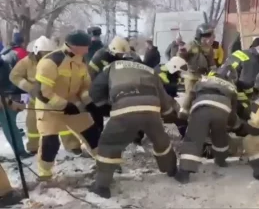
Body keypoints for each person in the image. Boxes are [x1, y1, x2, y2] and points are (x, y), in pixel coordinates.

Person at [89, 54, 177, 199]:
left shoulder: (112, 66)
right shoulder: (150, 70)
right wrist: (167, 112)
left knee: (109, 144)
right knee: (161, 141)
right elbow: (163, 97)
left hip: (124, 107)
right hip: (151, 108)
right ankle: (172, 170)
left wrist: (105, 105)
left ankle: (101, 186)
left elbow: (95, 91)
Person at [34, 30, 102, 180]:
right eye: (86, 46)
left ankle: (104, 162)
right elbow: (42, 92)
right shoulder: (50, 62)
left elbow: (84, 87)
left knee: (92, 134)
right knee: (50, 143)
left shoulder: (81, 61)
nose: (88, 49)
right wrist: (64, 105)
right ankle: (45, 175)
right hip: (49, 108)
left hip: (73, 105)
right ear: (75, 46)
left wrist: (89, 103)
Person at [10, 36, 82, 155]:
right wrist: (29, 87)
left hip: (54, 96)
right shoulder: (26, 62)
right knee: (33, 123)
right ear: (36, 52)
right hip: (35, 99)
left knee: (63, 121)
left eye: (49, 53)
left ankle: (72, 145)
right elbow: (14, 76)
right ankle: (34, 146)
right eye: (44, 54)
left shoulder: (59, 61)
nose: (46, 56)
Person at [174, 65, 240, 184]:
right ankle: (221, 161)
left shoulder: (204, 80)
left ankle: (184, 173)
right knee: (220, 136)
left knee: (194, 138)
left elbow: (190, 95)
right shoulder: (232, 87)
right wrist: (230, 124)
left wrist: (183, 112)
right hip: (223, 110)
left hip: (202, 107)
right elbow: (233, 110)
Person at [179, 23, 215, 94]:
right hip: (191, 77)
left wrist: (215, 73)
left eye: (212, 37)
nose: (211, 39)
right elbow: (180, 57)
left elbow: (211, 63)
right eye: (208, 37)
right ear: (200, 37)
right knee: (189, 98)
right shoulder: (191, 45)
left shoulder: (209, 49)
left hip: (203, 78)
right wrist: (182, 53)